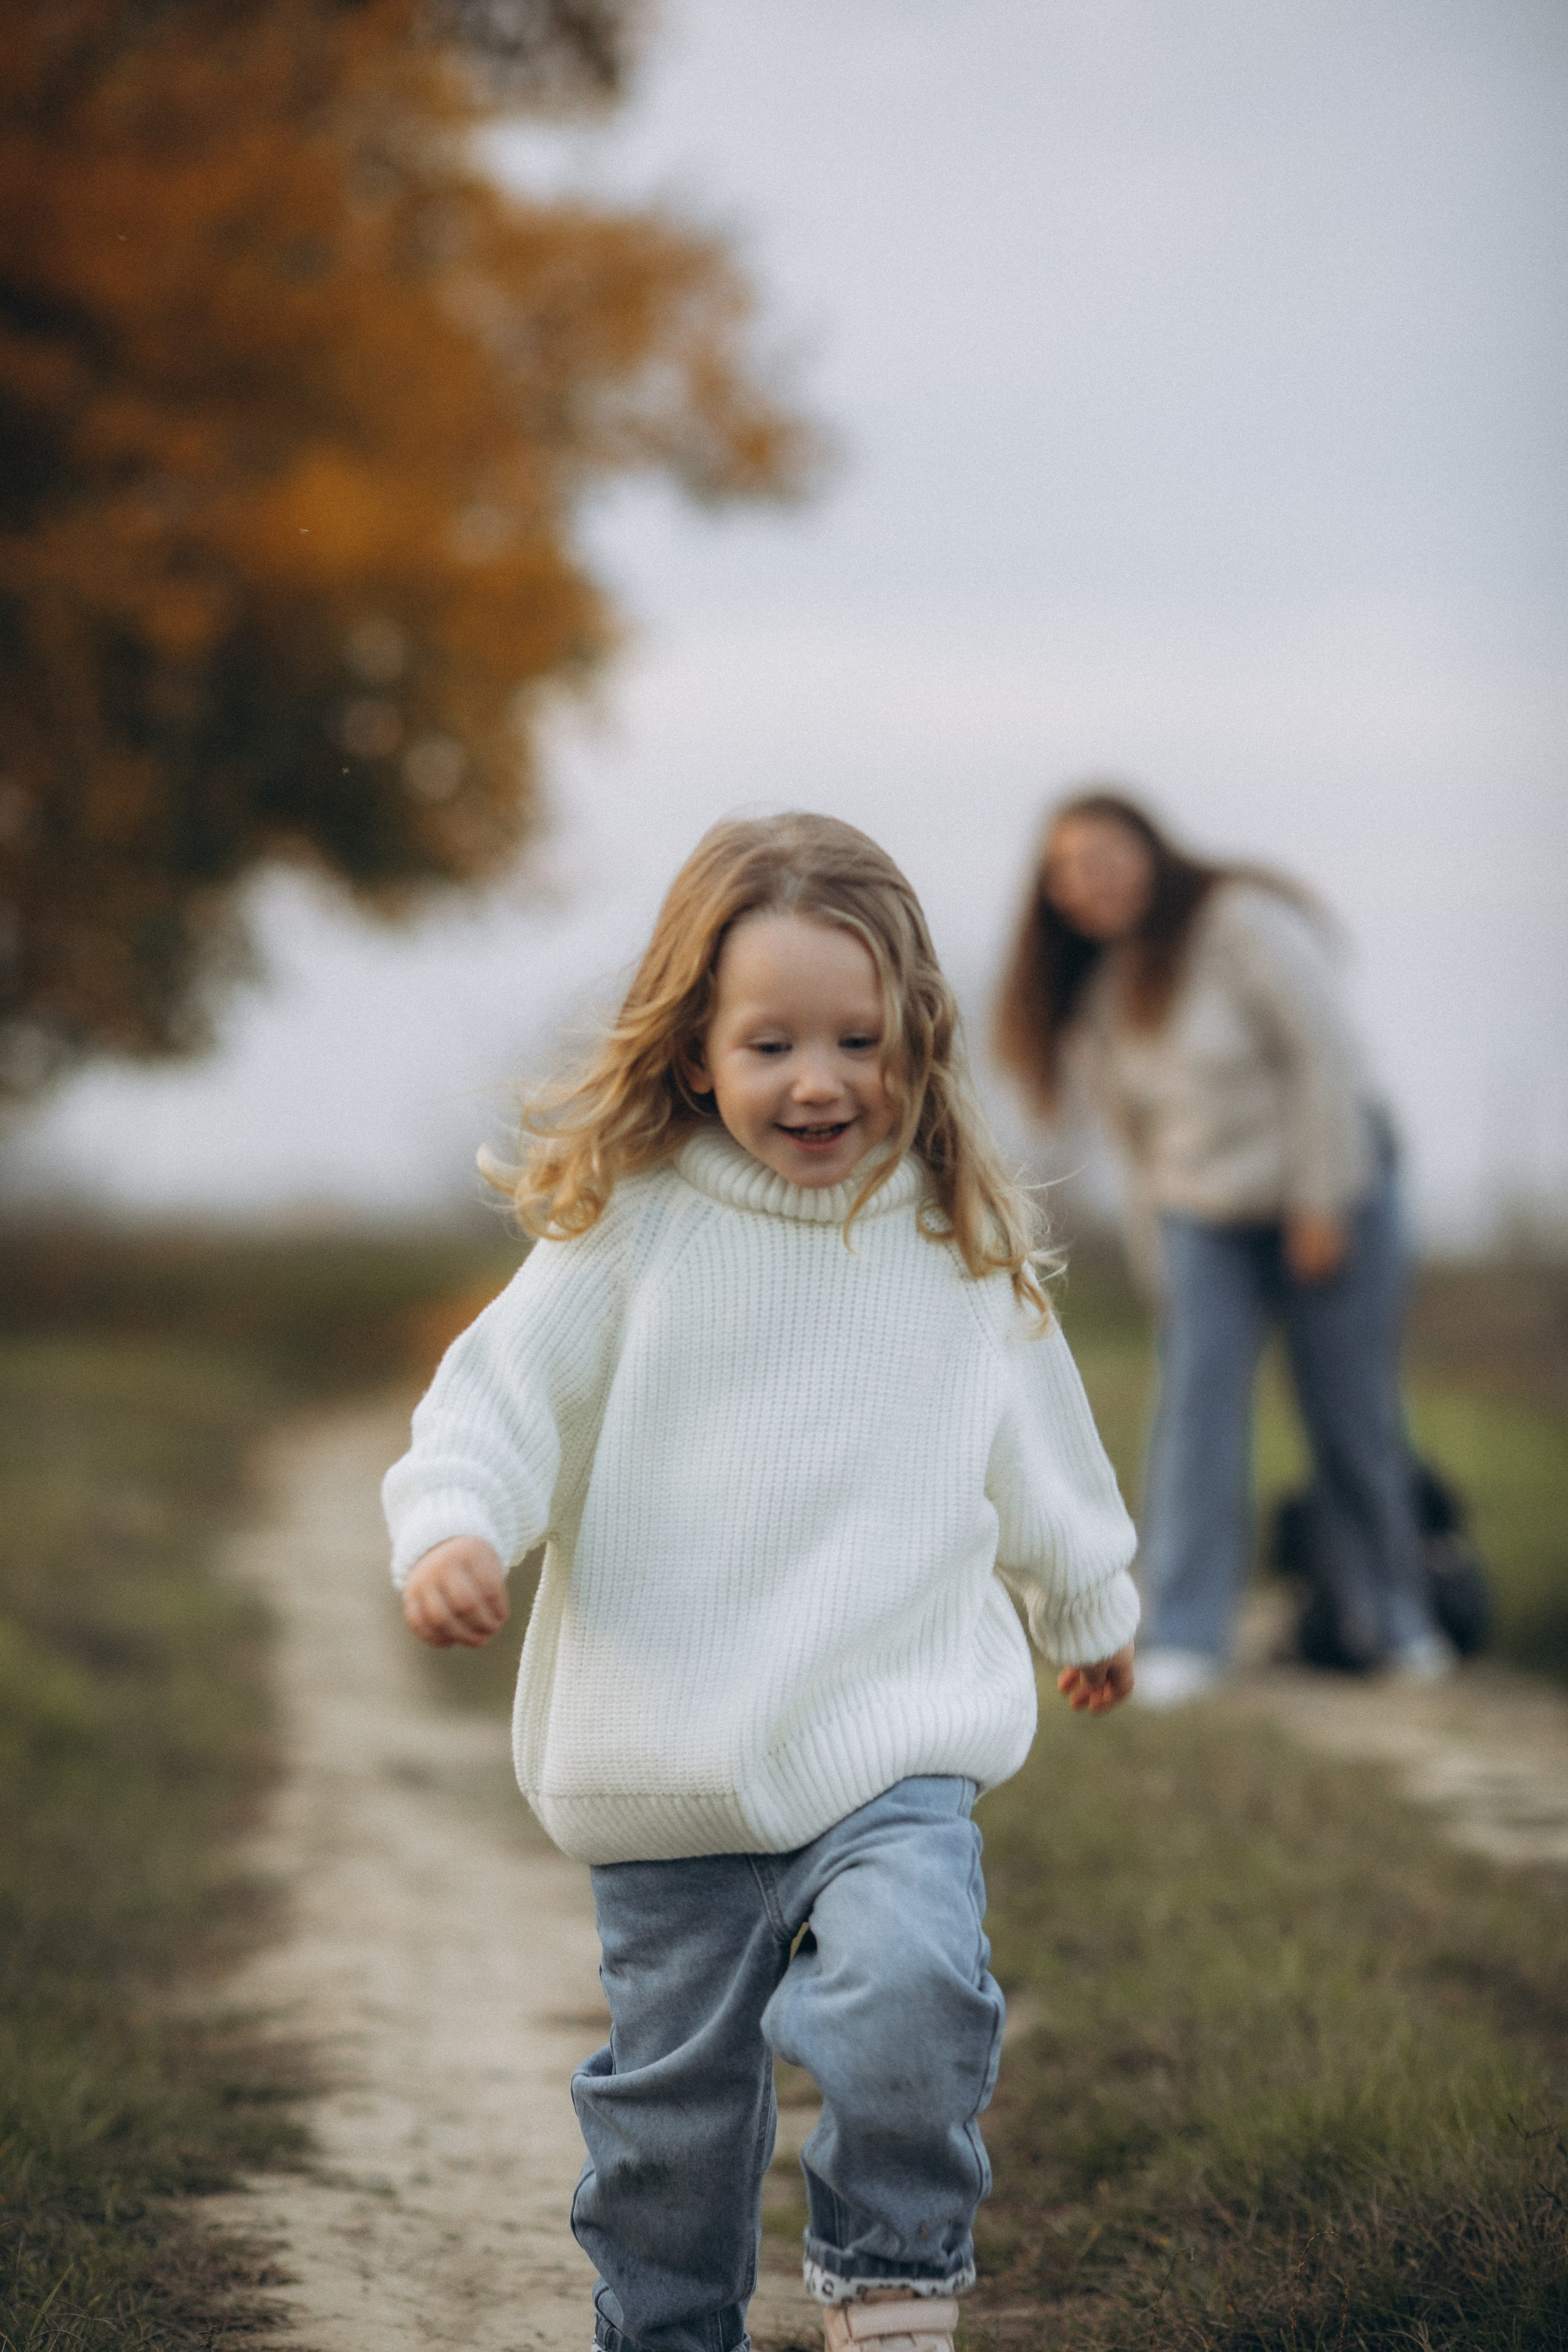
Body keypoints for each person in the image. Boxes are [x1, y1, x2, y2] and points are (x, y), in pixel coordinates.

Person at [383, 812, 1140, 2352]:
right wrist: (455, 1527)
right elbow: (495, 1407)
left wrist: (1088, 1605)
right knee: (671, 2122)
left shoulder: (953, 1244)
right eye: (772, 1040)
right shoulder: (627, 1236)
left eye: (858, 1039)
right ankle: (666, 2331)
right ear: (692, 1054)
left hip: (892, 1746)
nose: (819, 1080)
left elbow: (1038, 1455)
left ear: (914, 1041)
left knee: (911, 1992)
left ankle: (892, 2286)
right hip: (671, 1769)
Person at [993, 787, 1453, 1709]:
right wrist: (1168, 1268)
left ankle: (1396, 1620)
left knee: (1350, 1410)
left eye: (1107, 858)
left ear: (1152, 855)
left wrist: (1322, 1205)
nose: (1092, 882)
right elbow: (1136, 1149)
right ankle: (1187, 1629)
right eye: (1068, 872)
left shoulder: (1236, 922)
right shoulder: (1095, 991)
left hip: (1333, 1187)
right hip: (1206, 1217)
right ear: (1054, 896)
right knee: (1195, 1409)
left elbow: (1325, 1057)